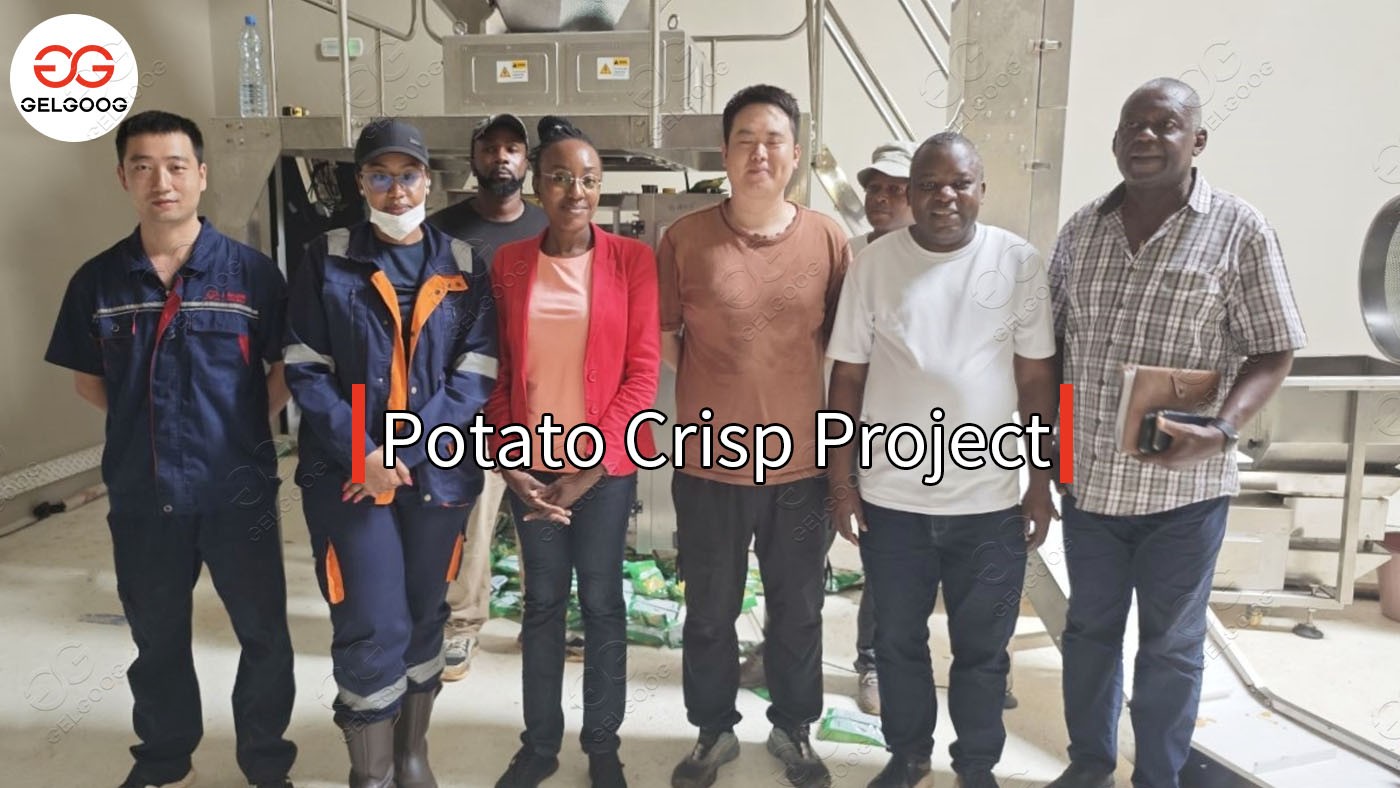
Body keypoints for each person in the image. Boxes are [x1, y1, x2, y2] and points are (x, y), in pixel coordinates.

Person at [1045, 78, 1306, 788]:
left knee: (1171, 646)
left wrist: (1223, 430)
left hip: (1184, 494)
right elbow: (1058, 353)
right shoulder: (1082, 231)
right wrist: (1056, 456)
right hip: (1092, 488)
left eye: (1165, 125)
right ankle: (1090, 764)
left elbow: (1274, 346)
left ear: (1197, 140)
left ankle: (1156, 777)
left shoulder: (1240, 229)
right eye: (1134, 125)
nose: (1147, 136)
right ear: (1115, 142)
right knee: (1090, 636)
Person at [44, 109, 297, 788]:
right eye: (144, 166)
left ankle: (265, 763)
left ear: (202, 175)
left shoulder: (251, 276)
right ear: (123, 176)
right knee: (157, 639)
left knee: (264, 635)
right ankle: (162, 759)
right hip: (142, 491)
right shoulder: (98, 282)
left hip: (237, 489)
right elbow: (89, 382)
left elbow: (282, 371)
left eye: (177, 165)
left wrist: (243, 428)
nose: (162, 180)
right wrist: (143, 424)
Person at [826, 132, 1059, 788]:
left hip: (987, 507)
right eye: (927, 184)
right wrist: (841, 483)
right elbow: (846, 379)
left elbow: (1037, 381)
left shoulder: (1017, 263)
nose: (943, 197)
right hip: (891, 503)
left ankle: (976, 765)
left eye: (959, 183)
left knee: (983, 652)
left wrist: (1039, 484)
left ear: (982, 189)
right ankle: (907, 756)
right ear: (910, 194)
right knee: (898, 645)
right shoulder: (873, 265)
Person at [283, 118, 497, 788]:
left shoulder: (462, 262)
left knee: (424, 612)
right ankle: (371, 774)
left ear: (428, 182)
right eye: (381, 175)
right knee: (372, 619)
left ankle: (412, 756)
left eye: (408, 175)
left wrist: (407, 445)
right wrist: (362, 450)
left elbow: (477, 369)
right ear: (360, 182)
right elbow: (305, 364)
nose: (396, 190)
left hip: (435, 471)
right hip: (351, 474)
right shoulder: (325, 256)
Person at [661, 84, 850, 788]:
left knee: (797, 610)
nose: (760, 152)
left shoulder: (828, 238)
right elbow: (668, 337)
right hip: (709, 467)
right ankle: (713, 732)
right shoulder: (684, 239)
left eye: (773, 139)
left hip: (800, 470)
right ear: (724, 153)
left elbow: (837, 345)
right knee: (709, 611)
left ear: (795, 155)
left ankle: (794, 727)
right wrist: (727, 384)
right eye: (745, 139)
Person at [486, 115, 660, 788]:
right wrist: (512, 462)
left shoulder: (631, 261)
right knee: (541, 606)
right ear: (537, 185)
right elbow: (500, 374)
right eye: (560, 178)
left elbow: (642, 372)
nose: (575, 191)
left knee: (603, 604)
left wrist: (590, 466)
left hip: (604, 472)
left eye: (588, 178)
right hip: (533, 470)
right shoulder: (510, 264)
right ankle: (540, 746)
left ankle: (603, 746)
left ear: (601, 186)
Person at [738, 137, 918, 716]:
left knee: (884, 557)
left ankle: (873, 663)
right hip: (827, 427)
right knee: (801, 552)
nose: (883, 198)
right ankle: (781, 649)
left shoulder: (931, 259)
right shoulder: (847, 252)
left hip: (901, 435)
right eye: (875, 188)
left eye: (897, 188)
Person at [430, 112, 550, 682]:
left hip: (538, 402)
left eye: (513, 148)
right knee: (472, 522)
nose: (502, 157)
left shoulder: (550, 227)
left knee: (543, 517)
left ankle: (542, 621)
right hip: (468, 403)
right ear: (473, 156)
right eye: (491, 147)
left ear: (527, 162)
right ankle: (462, 626)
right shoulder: (440, 230)